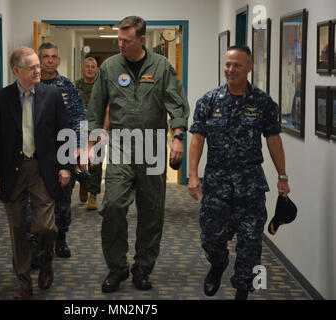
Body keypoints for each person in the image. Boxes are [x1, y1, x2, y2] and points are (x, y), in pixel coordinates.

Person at [87, 16, 190, 293]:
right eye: (118, 40)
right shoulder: (109, 67)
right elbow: (96, 108)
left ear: (142, 40)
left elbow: (177, 105)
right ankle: (117, 267)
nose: (121, 44)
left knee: (152, 211)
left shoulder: (162, 66)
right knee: (113, 206)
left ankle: (143, 269)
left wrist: (178, 138)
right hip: (121, 145)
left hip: (153, 145)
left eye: (127, 40)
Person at [188, 45, 291, 300]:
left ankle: (242, 290)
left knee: (251, 242)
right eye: (227, 64)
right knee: (211, 237)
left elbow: (273, 139)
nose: (230, 70)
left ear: (249, 68)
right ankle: (218, 263)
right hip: (217, 184)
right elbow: (197, 139)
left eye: (236, 65)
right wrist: (192, 175)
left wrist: (282, 176)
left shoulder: (263, 102)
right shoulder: (209, 101)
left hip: (251, 186)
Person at [0, 46, 71, 299]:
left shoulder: (52, 95)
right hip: (12, 170)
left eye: (38, 65)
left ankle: (46, 261)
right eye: (32, 67)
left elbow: (63, 131)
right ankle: (23, 281)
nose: (38, 70)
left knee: (45, 227)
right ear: (16, 71)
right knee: (18, 227)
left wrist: (65, 166)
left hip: (42, 168)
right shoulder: (1, 99)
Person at [38, 42, 86, 258]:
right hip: (37, 154)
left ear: (58, 60)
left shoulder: (67, 86)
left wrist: (78, 148)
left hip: (63, 150)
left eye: (53, 56)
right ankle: (38, 244)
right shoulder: (30, 84)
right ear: (39, 59)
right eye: (46, 56)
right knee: (36, 201)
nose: (49, 60)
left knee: (62, 200)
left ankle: (61, 239)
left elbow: (79, 118)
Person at [75, 57, 102, 210]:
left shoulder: (101, 87)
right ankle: (83, 182)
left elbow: (106, 107)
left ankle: (93, 194)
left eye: (93, 66)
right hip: (79, 130)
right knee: (78, 161)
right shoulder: (75, 86)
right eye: (87, 66)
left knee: (95, 163)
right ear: (82, 69)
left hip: (96, 129)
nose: (90, 69)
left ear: (97, 70)